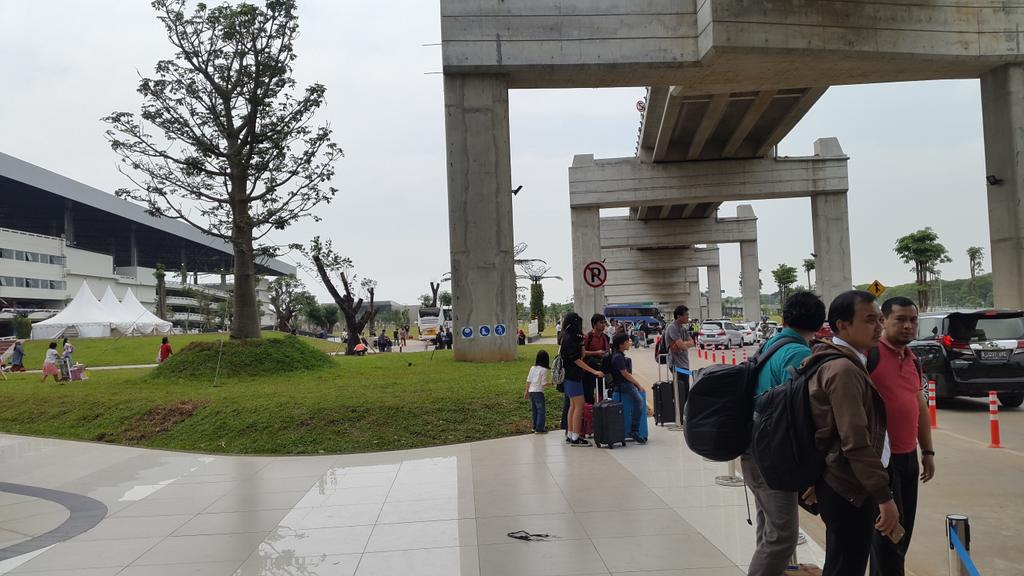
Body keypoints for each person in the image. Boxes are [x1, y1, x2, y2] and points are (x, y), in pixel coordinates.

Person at [806, 290, 899, 576]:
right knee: (847, 566)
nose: (879, 327)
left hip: (838, 482)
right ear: (842, 324)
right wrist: (884, 496)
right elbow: (855, 442)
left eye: (880, 319)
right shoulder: (843, 368)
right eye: (870, 320)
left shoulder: (837, 360)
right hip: (848, 486)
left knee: (841, 562)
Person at [740, 291, 826, 576]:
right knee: (783, 537)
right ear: (819, 321)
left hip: (753, 447)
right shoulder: (799, 352)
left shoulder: (772, 343)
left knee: (768, 529)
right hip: (772, 457)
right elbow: (803, 413)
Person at [868, 297, 936, 576]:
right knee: (887, 538)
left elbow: (917, 403)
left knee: (902, 536)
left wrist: (928, 452)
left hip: (908, 458)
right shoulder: (869, 356)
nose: (908, 326)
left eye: (913, 320)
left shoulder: (911, 358)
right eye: (900, 320)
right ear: (884, 321)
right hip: (880, 460)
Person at [560, 313, 604, 446]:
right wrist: (594, 371)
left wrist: (581, 343)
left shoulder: (565, 337)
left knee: (572, 406)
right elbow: (577, 360)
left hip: (568, 377)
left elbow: (583, 354)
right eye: (578, 323)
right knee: (579, 406)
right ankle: (575, 438)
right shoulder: (570, 339)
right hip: (574, 376)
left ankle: (570, 434)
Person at [609, 332, 647, 443]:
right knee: (639, 401)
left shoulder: (618, 355)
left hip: (624, 384)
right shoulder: (618, 357)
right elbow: (625, 374)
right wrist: (638, 385)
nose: (629, 343)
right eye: (627, 342)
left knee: (638, 400)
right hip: (623, 384)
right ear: (621, 345)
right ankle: (634, 430)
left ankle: (634, 429)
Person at [663, 305, 697, 422]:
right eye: (686, 315)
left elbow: (692, 342)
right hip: (676, 365)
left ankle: (684, 416)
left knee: (685, 390)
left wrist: (683, 345)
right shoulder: (672, 328)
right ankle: (681, 417)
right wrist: (683, 345)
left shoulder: (682, 329)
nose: (688, 317)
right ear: (679, 316)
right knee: (681, 392)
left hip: (684, 364)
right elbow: (682, 346)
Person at [582, 314, 610, 404]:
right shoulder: (588, 337)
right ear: (594, 324)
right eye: (601, 323)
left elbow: (607, 350)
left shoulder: (605, 337)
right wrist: (596, 353)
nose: (603, 325)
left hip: (601, 369)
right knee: (589, 393)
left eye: (604, 322)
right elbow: (582, 352)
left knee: (603, 391)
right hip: (589, 370)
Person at [524, 349, 552, 433]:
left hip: (531, 391)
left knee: (535, 410)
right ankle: (540, 428)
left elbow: (528, 380)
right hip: (538, 392)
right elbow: (544, 383)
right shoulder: (544, 370)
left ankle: (535, 426)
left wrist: (526, 391)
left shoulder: (532, 368)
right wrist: (552, 383)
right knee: (541, 410)